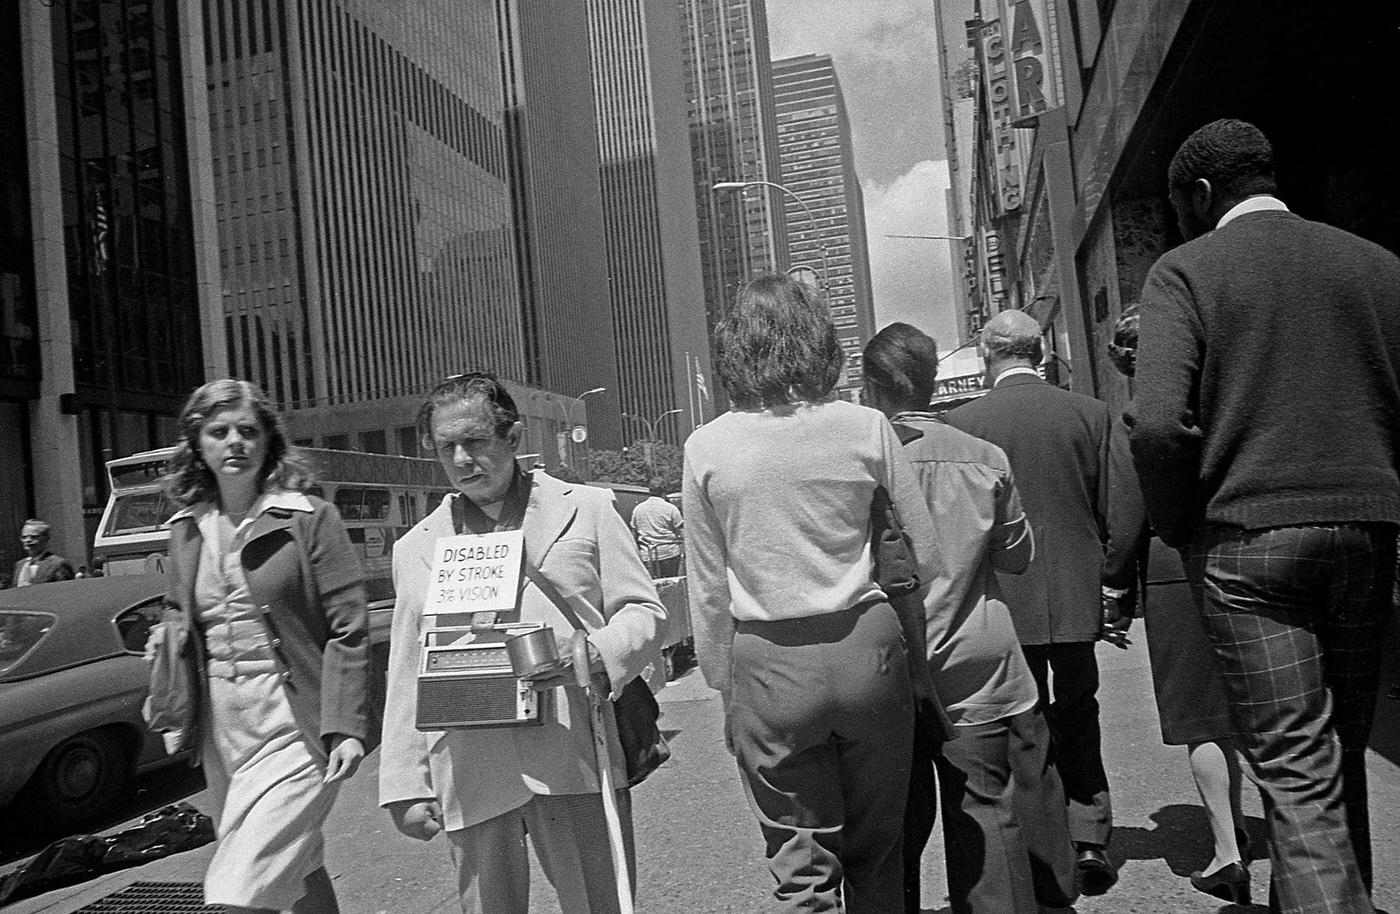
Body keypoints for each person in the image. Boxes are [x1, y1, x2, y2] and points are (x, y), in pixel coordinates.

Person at [1130, 118, 1400, 913]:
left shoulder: (1184, 273)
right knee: (1337, 753)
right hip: (1365, 532)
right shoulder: (1379, 266)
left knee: (1294, 765)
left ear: (1203, 195)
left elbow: (1156, 425)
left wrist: (1179, 524)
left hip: (1247, 541)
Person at [683, 274, 940, 913]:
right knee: (878, 848)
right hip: (868, 652)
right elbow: (927, 553)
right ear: (820, 340)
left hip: (767, 663)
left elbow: (708, 588)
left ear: (734, 348)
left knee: (800, 860)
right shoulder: (866, 427)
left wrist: (724, 686)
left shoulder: (706, 447)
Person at [378, 371, 666, 914]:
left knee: (600, 902)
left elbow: (644, 611)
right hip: (469, 764)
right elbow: (405, 665)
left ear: (511, 439)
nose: (463, 459)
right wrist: (403, 782)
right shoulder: (416, 547)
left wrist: (592, 655)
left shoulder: (588, 509)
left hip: (571, 749)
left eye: (475, 441)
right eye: (447, 448)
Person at [862, 323, 1079, 914]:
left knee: (892, 834)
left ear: (869, 387)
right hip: (977, 666)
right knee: (985, 814)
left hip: (888, 671)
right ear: (933, 382)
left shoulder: (859, 470)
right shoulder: (984, 459)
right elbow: (1018, 557)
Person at [159, 379, 369, 914]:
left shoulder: (310, 518)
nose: (235, 442)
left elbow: (349, 628)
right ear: (198, 444)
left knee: (240, 886)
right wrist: (168, 646)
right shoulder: (186, 529)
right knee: (297, 866)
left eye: (248, 431)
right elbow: (177, 610)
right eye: (219, 431)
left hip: (293, 721)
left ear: (268, 441)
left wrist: (345, 724)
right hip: (224, 729)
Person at [943, 308, 1121, 895]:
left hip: (1000, 598)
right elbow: (1115, 505)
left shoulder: (965, 424)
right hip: (1075, 589)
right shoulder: (1091, 414)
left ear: (985, 353)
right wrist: (1117, 584)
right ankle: (1089, 832)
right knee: (1079, 710)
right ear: (1040, 352)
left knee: (1021, 724)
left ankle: (1037, 844)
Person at [1103, 305, 1252, 904]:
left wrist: (1114, 584)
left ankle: (1228, 851)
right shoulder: (1227, 399)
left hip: (1173, 567)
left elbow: (1128, 511)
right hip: (1241, 547)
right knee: (1258, 704)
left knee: (1202, 719)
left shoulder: (1139, 417)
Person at [630, 476, 684, 577]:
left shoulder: (638, 509)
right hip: (669, 553)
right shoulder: (671, 508)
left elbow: (633, 533)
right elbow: (681, 531)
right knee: (671, 584)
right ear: (664, 491)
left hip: (648, 554)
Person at [10, 519, 75, 587]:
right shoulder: (19, 565)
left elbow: (66, 591)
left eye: (34, 537)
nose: (28, 540)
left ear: (46, 539)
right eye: (24, 537)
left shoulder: (58, 564)